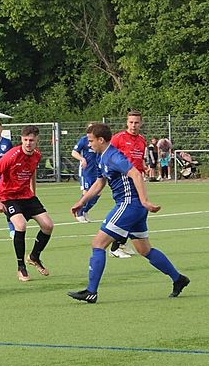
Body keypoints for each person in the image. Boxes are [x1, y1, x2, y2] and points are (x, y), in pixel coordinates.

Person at [67, 122, 189, 303]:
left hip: (128, 205)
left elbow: (136, 174)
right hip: (134, 208)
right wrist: (81, 202)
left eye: (91, 141)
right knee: (144, 250)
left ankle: (91, 292)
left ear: (101, 140)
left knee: (98, 244)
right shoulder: (102, 157)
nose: (89, 144)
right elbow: (100, 183)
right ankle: (178, 279)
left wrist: (145, 201)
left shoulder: (114, 156)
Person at [0, 125, 55, 282]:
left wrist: (33, 193)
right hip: (9, 196)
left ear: (37, 140)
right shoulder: (12, 155)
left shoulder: (37, 155)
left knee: (48, 226)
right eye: (25, 140)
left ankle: (34, 257)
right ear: (21, 140)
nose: (28, 143)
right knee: (21, 225)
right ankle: (21, 267)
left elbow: (32, 173)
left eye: (31, 140)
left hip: (26, 195)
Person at [108, 111, 148, 256]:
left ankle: (121, 244)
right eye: (131, 122)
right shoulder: (118, 138)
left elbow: (139, 160)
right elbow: (107, 155)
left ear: (140, 123)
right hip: (123, 181)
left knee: (137, 212)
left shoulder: (142, 140)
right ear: (127, 122)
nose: (133, 125)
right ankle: (115, 247)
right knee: (130, 211)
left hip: (137, 180)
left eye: (136, 122)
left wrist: (144, 168)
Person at [70, 127, 101, 224]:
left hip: (97, 170)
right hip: (86, 171)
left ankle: (85, 211)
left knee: (98, 193)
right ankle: (79, 213)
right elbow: (74, 152)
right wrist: (82, 159)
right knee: (86, 192)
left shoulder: (99, 141)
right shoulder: (84, 140)